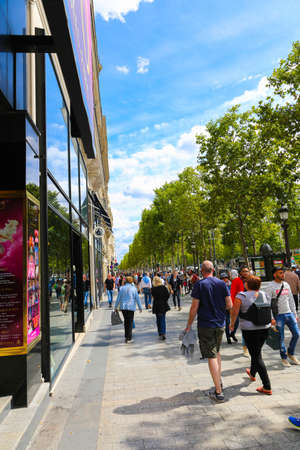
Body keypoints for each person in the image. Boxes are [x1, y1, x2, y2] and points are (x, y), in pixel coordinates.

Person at [185, 260, 232, 403]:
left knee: (211, 356)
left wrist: (188, 325)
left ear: (202, 271)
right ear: (213, 269)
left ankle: (218, 392)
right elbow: (229, 304)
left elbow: (194, 308)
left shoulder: (199, 285)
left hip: (206, 324)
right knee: (217, 352)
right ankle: (219, 381)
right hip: (220, 323)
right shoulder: (222, 283)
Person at [230, 276, 272, 395]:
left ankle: (267, 386)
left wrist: (232, 324)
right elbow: (269, 309)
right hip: (265, 328)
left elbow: (235, 312)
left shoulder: (241, 296)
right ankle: (252, 373)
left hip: (249, 330)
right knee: (256, 351)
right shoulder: (265, 294)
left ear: (247, 285)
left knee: (257, 355)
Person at [266, 267, 300, 367]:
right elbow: (267, 304)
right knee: (280, 338)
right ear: (274, 274)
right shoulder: (270, 286)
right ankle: (284, 358)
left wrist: (295, 314)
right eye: (280, 273)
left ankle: (291, 353)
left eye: (283, 273)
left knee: (297, 334)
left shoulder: (286, 285)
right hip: (278, 316)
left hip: (289, 313)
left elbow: (291, 300)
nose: (282, 275)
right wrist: (271, 318)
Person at [114, 276, 142, 343]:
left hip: (123, 307)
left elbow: (118, 298)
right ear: (131, 281)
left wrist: (115, 307)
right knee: (130, 322)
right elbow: (137, 298)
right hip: (130, 307)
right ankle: (129, 338)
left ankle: (126, 336)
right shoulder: (134, 289)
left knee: (126, 322)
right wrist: (140, 307)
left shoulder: (121, 288)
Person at [230, 265, 251, 356]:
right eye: (244, 271)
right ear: (240, 273)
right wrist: (232, 306)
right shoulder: (236, 281)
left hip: (251, 306)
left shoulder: (252, 280)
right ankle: (245, 347)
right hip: (240, 306)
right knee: (245, 327)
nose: (246, 273)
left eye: (247, 271)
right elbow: (232, 294)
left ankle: (249, 345)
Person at [151, 276, 170, 340]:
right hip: (163, 305)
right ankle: (163, 332)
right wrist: (164, 300)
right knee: (163, 319)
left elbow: (153, 296)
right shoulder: (163, 287)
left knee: (158, 319)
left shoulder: (153, 289)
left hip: (157, 305)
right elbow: (167, 295)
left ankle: (160, 332)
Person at [220, 272, 233, 344]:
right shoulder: (218, 286)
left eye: (226, 278)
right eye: (223, 278)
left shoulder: (231, 285)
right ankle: (228, 337)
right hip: (222, 307)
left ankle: (232, 334)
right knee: (227, 321)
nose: (224, 279)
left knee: (234, 321)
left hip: (231, 305)